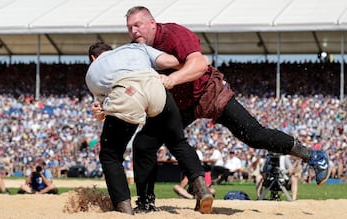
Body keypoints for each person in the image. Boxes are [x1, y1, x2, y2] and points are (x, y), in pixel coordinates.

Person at [119, 5, 330, 211]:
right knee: (144, 143)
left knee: (254, 135)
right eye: (129, 27)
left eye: (137, 25)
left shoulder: (174, 34)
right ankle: (147, 203)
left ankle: (312, 156)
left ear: (152, 23)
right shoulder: (136, 49)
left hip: (211, 93)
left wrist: (173, 78)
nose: (133, 31)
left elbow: (200, 64)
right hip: (181, 105)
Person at [86, 42, 213, 215]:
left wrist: (101, 113)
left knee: (110, 155)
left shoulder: (93, 70)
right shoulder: (135, 48)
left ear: (93, 58)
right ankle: (201, 188)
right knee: (177, 141)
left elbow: (105, 108)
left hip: (127, 92)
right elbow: (172, 61)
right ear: (112, 50)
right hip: (156, 87)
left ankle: (124, 208)